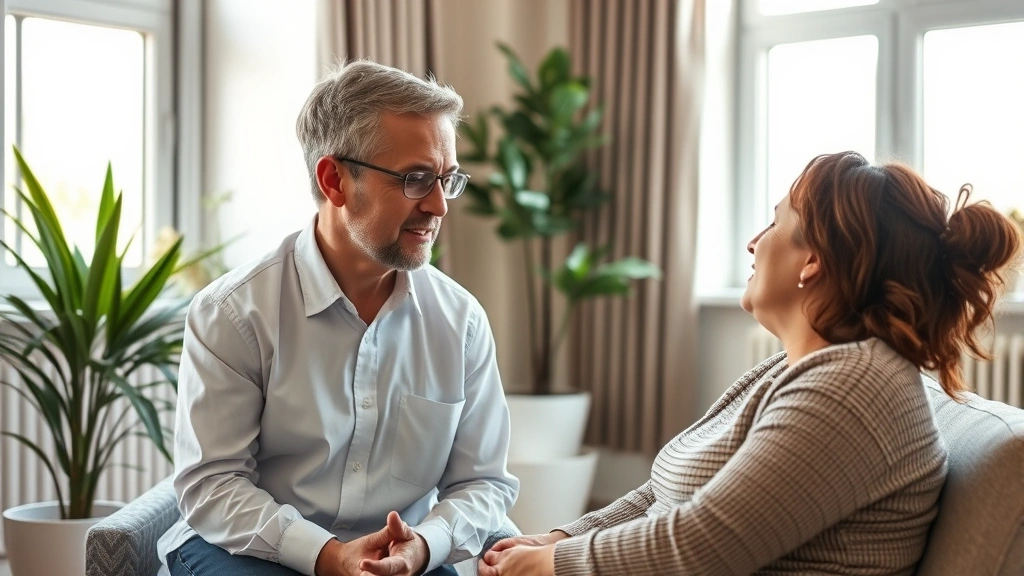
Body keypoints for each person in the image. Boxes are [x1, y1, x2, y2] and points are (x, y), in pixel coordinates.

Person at [478, 151, 1023, 576]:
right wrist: (561, 538)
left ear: (812, 260)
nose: (753, 243)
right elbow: (663, 493)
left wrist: (553, 564)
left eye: (773, 225)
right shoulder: (795, 369)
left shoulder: (855, 387)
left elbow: (703, 544)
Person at [156, 60, 519, 576]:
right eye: (416, 179)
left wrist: (423, 546)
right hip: (248, 551)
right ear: (334, 181)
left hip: (404, 559)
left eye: (447, 179)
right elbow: (213, 487)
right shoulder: (233, 314)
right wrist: (328, 556)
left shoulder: (460, 323)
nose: (439, 205)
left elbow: (483, 483)